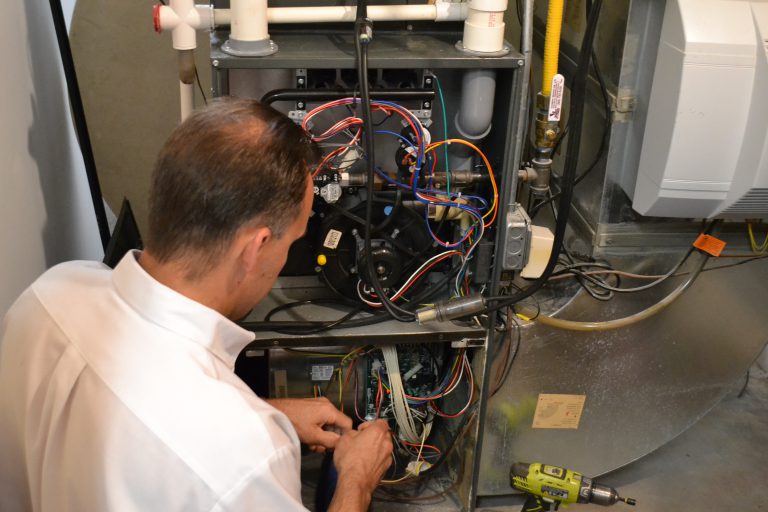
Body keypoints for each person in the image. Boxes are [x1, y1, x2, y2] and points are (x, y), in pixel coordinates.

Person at [0, 98, 393, 511]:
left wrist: (266, 412)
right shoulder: (248, 460)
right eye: (292, 242)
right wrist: (356, 478)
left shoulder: (51, 293)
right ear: (255, 249)